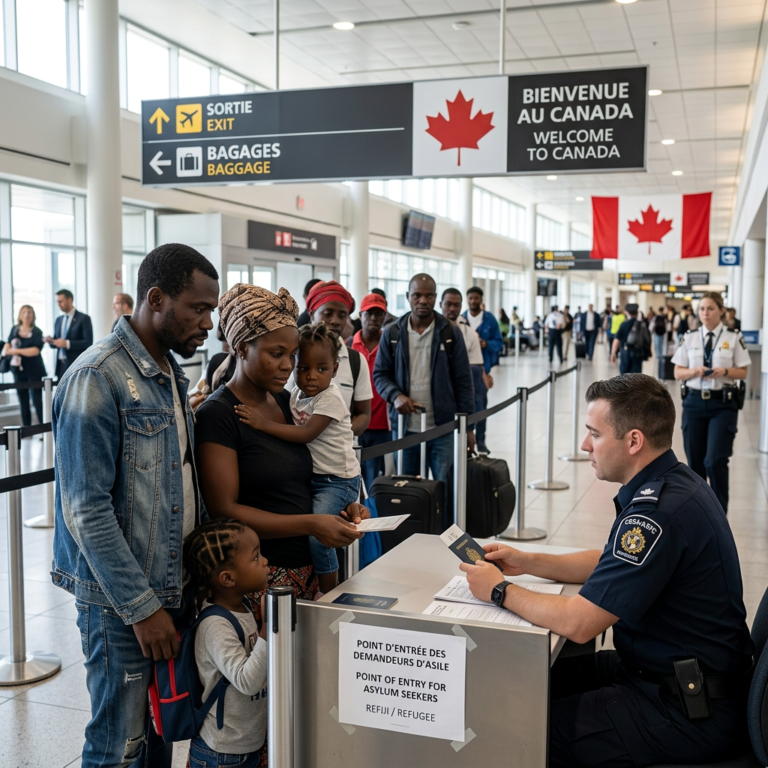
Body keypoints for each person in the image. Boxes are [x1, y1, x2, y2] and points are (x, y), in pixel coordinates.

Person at [461, 373, 753, 767]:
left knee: (520, 726)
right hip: (672, 678)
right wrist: (527, 561)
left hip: (687, 711)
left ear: (633, 441)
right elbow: (610, 559)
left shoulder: (657, 514)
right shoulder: (673, 482)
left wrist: (499, 591)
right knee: (525, 683)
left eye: (594, 434)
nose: (585, 446)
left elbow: (581, 623)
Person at [51, 243, 220, 768]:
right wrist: (142, 609)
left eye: (212, 310)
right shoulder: (96, 377)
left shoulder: (168, 370)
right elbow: (86, 510)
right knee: (118, 745)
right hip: (120, 604)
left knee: (156, 738)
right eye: (198, 308)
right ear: (155, 299)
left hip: (169, 585)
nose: (208, 323)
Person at [195, 284, 367, 618]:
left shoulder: (283, 401)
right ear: (243, 348)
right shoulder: (218, 415)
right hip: (262, 579)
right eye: (277, 354)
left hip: (308, 568)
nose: (289, 367)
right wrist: (312, 523)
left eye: (292, 356)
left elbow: (305, 473)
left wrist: (345, 506)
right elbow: (224, 510)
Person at [234, 322, 361, 595]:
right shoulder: (295, 394)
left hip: (337, 480)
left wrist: (262, 423)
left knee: (319, 538)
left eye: (321, 369)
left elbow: (305, 434)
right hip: (319, 478)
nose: (311, 376)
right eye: (303, 368)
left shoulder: (330, 398)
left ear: (334, 370)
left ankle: (329, 593)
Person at [374, 273, 475, 518]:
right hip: (406, 429)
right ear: (408, 297)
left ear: (435, 298)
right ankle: (411, 535)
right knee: (407, 489)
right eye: (417, 295)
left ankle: (446, 537)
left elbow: (463, 382)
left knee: (446, 488)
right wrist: (395, 395)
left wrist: (469, 427)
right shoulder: (392, 333)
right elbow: (380, 374)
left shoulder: (449, 332)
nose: (423, 300)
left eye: (429, 295)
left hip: (442, 428)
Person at [183, 519, 269, 768]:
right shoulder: (215, 626)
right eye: (255, 557)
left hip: (245, 744)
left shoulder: (244, 607)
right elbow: (246, 681)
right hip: (222, 754)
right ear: (228, 578)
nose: (264, 561)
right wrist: (266, 629)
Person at [672, 291, 750, 514]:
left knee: (715, 460)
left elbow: (743, 372)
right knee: (695, 465)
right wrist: (693, 371)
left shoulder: (733, 337)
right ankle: (698, 514)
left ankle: (719, 515)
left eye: (710, 308)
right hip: (694, 403)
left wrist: (725, 371)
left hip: (722, 405)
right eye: (702, 309)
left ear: (721, 310)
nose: (705, 313)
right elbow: (677, 372)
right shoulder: (689, 337)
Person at [306, 280, 372, 435]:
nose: (335, 321)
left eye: (342, 315)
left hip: (342, 454)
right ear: (311, 314)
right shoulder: (295, 354)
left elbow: (363, 414)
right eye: (327, 314)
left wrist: (338, 436)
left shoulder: (356, 360)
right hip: (300, 451)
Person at [351, 292, 392, 493]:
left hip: (383, 425)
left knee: (379, 480)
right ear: (360, 316)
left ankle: (377, 519)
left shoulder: (391, 345)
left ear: (385, 316)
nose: (373, 318)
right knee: (355, 477)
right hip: (356, 423)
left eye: (378, 314)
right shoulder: (349, 345)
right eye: (369, 314)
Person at [442, 288, 488, 453]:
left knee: (479, 405)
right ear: (441, 304)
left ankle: (480, 440)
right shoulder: (432, 331)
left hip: (466, 382)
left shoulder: (469, 333)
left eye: (456, 305)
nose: (452, 309)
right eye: (448, 304)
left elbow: (475, 366)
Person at [462, 286, 501, 453]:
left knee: (480, 406)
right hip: (462, 371)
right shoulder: (461, 319)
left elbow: (499, 343)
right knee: (464, 408)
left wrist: (486, 344)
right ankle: (465, 439)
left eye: (476, 298)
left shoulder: (490, 320)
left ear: (481, 300)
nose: (473, 301)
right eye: (470, 298)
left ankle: (481, 441)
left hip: (481, 371)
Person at [2, 305, 46, 427]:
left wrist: (16, 351)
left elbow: (35, 351)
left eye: (29, 312)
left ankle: (42, 428)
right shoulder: (14, 330)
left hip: (34, 370)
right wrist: (8, 349)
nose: (27, 315)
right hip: (18, 370)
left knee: (37, 400)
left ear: (33, 315)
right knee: (23, 400)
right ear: (20, 315)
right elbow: (8, 344)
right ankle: (27, 428)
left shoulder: (37, 331)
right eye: (24, 312)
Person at [45, 289, 93, 380]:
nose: (58, 304)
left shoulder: (83, 318)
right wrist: (51, 341)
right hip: (61, 366)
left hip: (76, 365)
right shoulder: (59, 320)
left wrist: (67, 344)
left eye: (60, 301)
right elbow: (57, 342)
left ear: (69, 300)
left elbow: (88, 342)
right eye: (57, 302)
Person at [611, 303, 648, 374]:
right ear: (637, 313)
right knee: (636, 377)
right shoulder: (642, 324)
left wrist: (613, 353)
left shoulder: (624, 324)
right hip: (638, 352)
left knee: (624, 376)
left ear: (626, 312)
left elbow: (617, 339)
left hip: (626, 352)